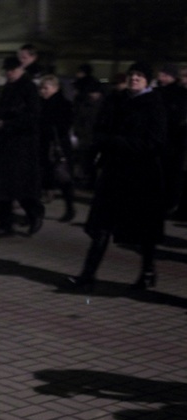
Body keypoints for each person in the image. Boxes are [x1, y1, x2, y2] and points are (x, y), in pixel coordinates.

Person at [67, 62, 167, 292]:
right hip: (114, 173)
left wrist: (118, 142)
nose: (134, 79)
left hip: (142, 175)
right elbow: (102, 127)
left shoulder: (154, 104)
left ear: (148, 80)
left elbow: (156, 142)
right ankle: (87, 275)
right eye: (132, 74)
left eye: (140, 75)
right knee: (101, 226)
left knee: (143, 229)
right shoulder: (118, 100)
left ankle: (148, 271)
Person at [0, 56, 44, 236]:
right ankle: (5, 224)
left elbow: (33, 117)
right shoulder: (9, 88)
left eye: (13, 70)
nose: (9, 73)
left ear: (21, 70)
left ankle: (33, 213)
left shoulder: (28, 88)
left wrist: (8, 124)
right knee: (5, 187)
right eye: (8, 70)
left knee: (19, 186)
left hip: (22, 145)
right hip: (7, 144)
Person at [38, 74, 76, 222]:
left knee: (63, 178)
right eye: (41, 88)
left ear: (55, 88)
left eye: (46, 88)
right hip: (45, 146)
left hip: (57, 146)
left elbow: (64, 126)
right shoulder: (41, 104)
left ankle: (69, 207)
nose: (43, 91)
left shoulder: (63, 105)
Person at [155, 63, 187, 217]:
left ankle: (171, 204)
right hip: (169, 141)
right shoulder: (163, 92)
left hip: (175, 142)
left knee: (173, 176)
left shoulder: (179, 94)